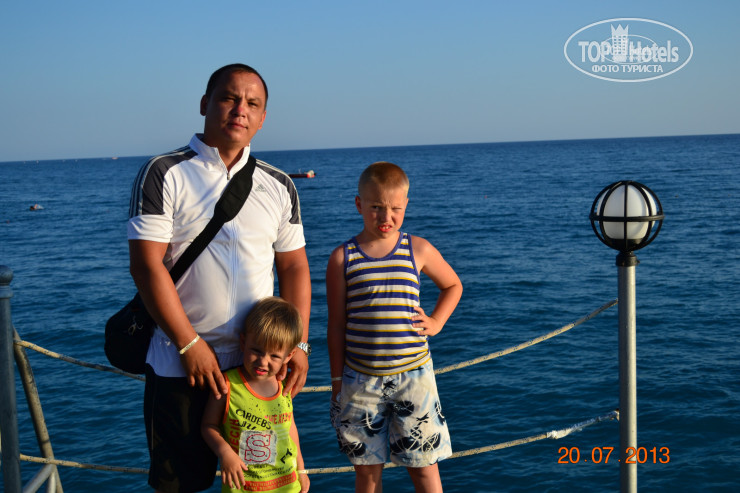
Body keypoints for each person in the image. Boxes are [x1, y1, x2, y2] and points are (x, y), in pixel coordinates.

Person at [127, 63, 311, 493]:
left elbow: (294, 267)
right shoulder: (164, 172)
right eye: (229, 98)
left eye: (252, 103)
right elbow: (146, 265)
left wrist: (298, 344)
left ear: (262, 118)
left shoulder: (279, 184)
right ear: (204, 103)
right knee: (178, 486)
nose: (240, 109)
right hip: (181, 365)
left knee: (261, 484)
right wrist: (189, 344)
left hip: (255, 368)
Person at [326, 162, 462, 493]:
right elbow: (337, 325)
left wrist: (436, 322)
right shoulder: (342, 258)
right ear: (359, 204)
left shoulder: (418, 249)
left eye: (395, 209)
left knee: (424, 468)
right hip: (360, 380)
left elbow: (453, 285)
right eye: (376, 207)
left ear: (406, 205)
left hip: (414, 378)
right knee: (367, 472)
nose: (386, 216)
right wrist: (337, 381)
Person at [202, 297, 310, 493]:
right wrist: (225, 452)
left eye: (274, 356)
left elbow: (290, 428)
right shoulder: (227, 385)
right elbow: (208, 426)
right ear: (243, 342)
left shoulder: (283, 386)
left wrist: (301, 470)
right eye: (256, 351)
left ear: (289, 356)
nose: (263, 361)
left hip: (288, 486)